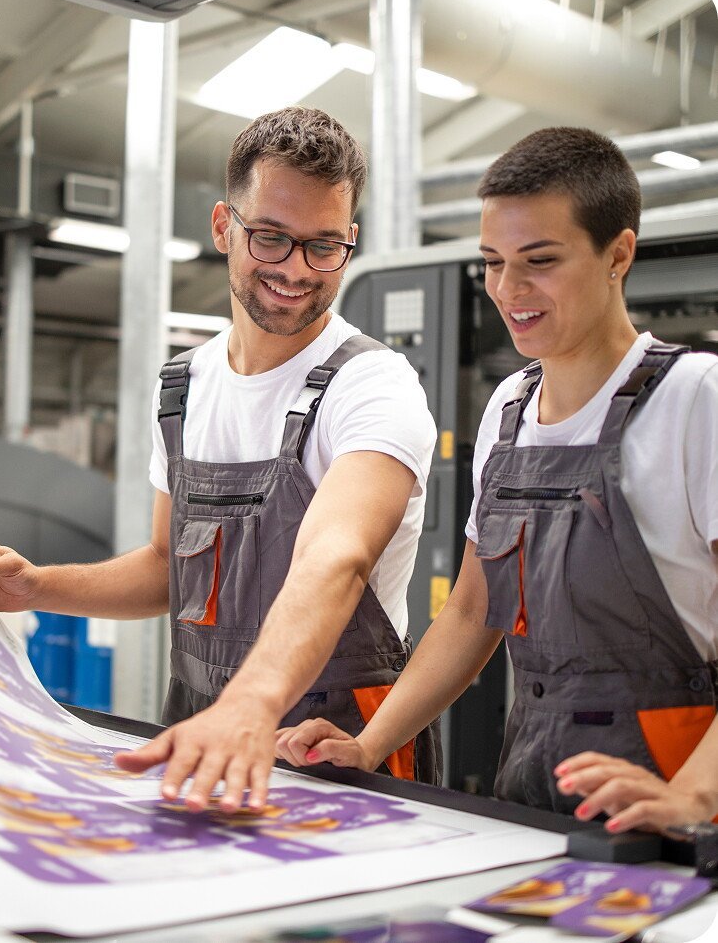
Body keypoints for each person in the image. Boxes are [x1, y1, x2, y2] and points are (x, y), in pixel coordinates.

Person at [0, 107, 439, 813]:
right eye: (270, 238)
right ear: (224, 227)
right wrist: (38, 587)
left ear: (351, 242)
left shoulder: (373, 385)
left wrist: (252, 703)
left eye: (324, 247)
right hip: (203, 726)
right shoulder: (182, 390)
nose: (294, 269)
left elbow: (336, 558)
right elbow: (168, 566)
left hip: (337, 742)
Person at [275, 126, 718, 836]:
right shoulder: (510, 408)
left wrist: (694, 799)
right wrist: (370, 743)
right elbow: (471, 611)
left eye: (539, 261)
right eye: (492, 262)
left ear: (619, 255)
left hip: (676, 813)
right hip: (533, 790)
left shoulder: (695, 398)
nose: (510, 290)